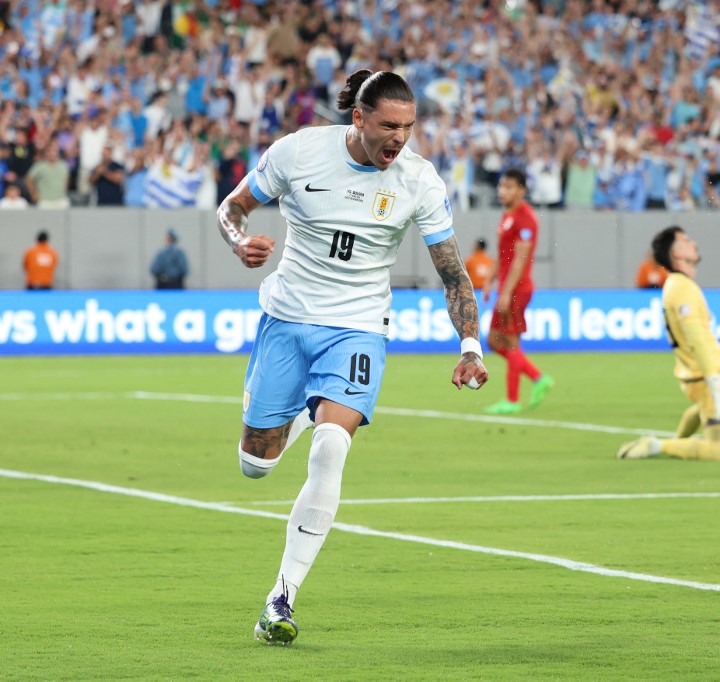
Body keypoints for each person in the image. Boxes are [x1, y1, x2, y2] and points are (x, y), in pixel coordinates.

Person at [216, 69, 487, 645]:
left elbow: (453, 274)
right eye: (389, 126)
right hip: (288, 320)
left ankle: (281, 597)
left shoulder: (419, 180)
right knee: (254, 464)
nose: (399, 139)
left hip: (359, 327)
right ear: (358, 118)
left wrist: (470, 346)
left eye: (408, 128)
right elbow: (232, 208)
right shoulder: (298, 152)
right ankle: (295, 416)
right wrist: (240, 241)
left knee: (333, 445)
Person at [616, 226, 720, 461]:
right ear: (677, 254)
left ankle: (676, 442)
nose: (693, 242)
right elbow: (697, 340)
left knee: (704, 408)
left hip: (702, 374)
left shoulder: (678, 285)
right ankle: (656, 446)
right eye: (686, 240)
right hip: (704, 376)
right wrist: (716, 382)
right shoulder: (682, 289)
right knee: (719, 451)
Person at [481, 168, 554, 415]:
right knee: (493, 340)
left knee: (511, 344)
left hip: (517, 289)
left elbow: (520, 260)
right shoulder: (507, 216)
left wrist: (506, 292)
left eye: (509, 187)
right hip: (506, 287)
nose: (503, 191)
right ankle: (538, 377)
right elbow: (503, 255)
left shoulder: (526, 218)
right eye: (502, 186)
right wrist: (490, 281)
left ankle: (512, 400)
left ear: (522, 190)